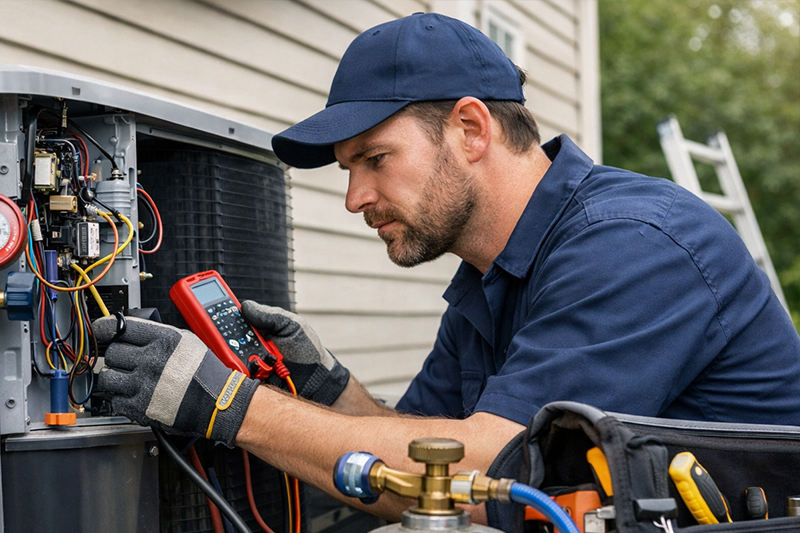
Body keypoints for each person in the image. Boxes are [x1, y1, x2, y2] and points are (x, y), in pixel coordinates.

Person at [94, 12, 800, 528]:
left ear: (470, 129)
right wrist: (331, 388)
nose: (354, 199)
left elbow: (480, 465)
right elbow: (421, 447)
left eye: (374, 160)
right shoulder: (487, 279)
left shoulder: (632, 245)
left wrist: (227, 404)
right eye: (349, 171)